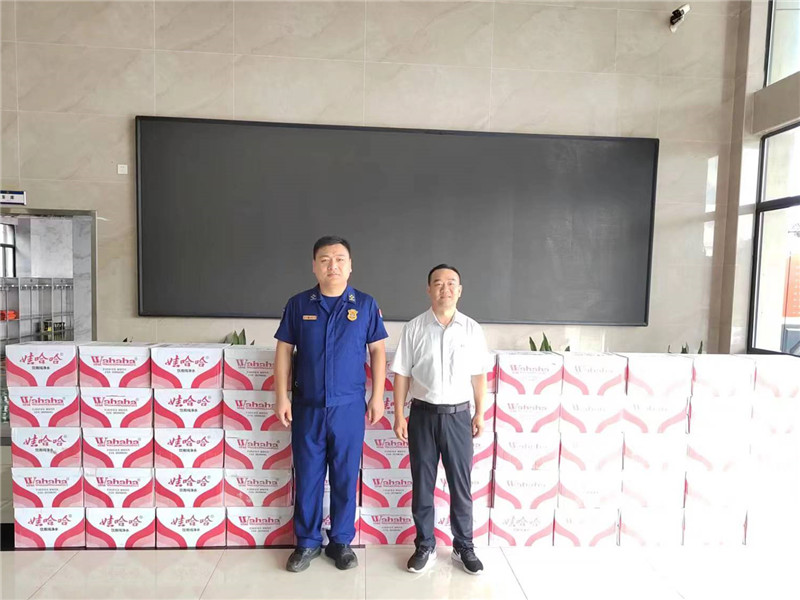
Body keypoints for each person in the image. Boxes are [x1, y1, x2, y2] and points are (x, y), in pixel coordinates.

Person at [274, 235, 388, 572]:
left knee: (344, 476)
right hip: (307, 406)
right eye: (325, 259)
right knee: (308, 476)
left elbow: (378, 350)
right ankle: (307, 542)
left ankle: (341, 542)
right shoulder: (299, 304)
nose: (332, 265)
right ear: (314, 266)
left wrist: (377, 395)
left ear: (350, 266)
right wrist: (281, 396)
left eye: (340, 259)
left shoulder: (365, 305)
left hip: (349, 408)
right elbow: (284, 350)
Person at [392, 264, 490, 576]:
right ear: (428, 289)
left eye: (451, 283)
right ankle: (425, 545)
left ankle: (464, 546)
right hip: (422, 415)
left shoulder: (472, 329)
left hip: (459, 417)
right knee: (422, 484)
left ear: (459, 290)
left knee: (461, 486)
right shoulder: (414, 328)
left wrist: (480, 413)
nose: (444, 289)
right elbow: (402, 374)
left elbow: (479, 375)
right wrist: (398, 414)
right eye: (438, 283)